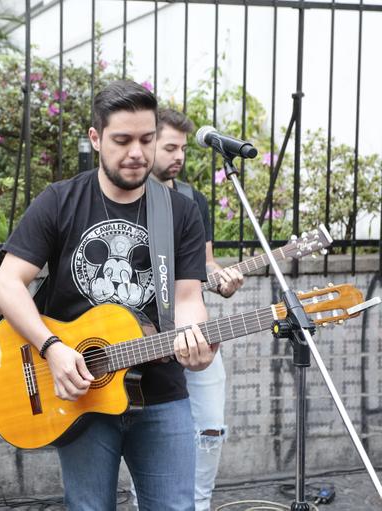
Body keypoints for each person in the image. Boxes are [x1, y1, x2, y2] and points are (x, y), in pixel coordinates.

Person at [0, 79, 216, 511]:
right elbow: (7, 283)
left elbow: (187, 297)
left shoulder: (180, 212)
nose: (137, 152)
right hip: (82, 392)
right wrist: (52, 348)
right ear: (96, 139)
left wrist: (195, 337)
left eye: (147, 139)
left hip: (161, 392)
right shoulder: (60, 201)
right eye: (122, 140)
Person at [152, 107, 244, 511]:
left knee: (210, 428)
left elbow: (204, 262)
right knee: (149, 435)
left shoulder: (192, 200)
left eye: (183, 149)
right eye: (170, 147)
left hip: (194, 329)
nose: (179, 157)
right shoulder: (126, 198)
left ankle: (199, 505)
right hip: (144, 337)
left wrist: (222, 277)